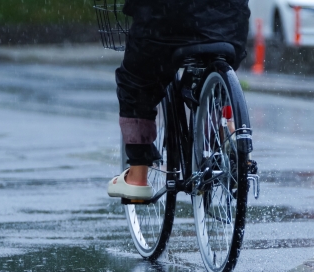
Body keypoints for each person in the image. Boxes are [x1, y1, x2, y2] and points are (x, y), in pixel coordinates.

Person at [107, 0, 251, 200]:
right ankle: (230, 131)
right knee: (218, 68)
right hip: (230, 24)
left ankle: (137, 177)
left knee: (136, 82)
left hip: (166, 21)